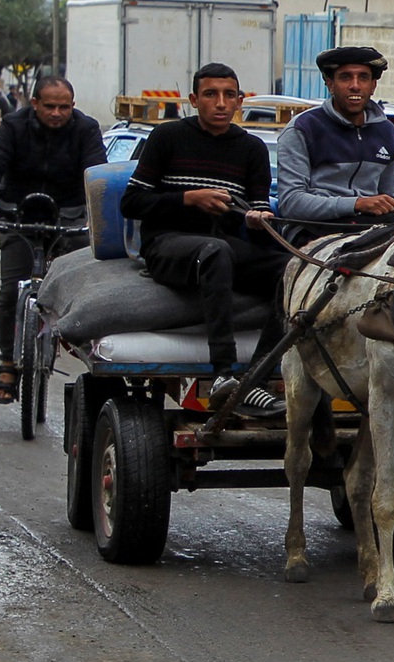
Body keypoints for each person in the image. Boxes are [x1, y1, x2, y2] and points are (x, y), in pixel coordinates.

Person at [121, 64, 288, 417]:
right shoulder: (166, 138)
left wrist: (258, 219)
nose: (221, 103)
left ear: (241, 101)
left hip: (223, 244)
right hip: (168, 243)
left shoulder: (252, 149)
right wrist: (187, 199)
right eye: (211, 94)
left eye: (230, 95)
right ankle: (223, 373)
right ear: (195, 100)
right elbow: (131, 202)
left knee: (292, 271)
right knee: (216, 251)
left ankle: (256, 378)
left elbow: (256, 210)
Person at [0, 76, 105, 404]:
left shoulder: (86, 129)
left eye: (65, 107)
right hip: (19, 214)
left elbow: (97, 172)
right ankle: (7, 362)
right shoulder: (13, 127)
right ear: (34, 104)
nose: (58, 113)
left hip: (69, 215)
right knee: (9, 291)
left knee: (86, 287)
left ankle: (94, 353)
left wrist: (98, 212)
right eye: (50, 106)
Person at [274, 46, 394, 242]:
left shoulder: (387, 132)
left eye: (363, 77)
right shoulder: (303, 128)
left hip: (370, 228)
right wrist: (356, 204)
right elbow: (291, 203)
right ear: (330, 84)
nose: (355, 85)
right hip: (315, 230)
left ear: (373, 85)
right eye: (345, 77)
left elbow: (388, 196)